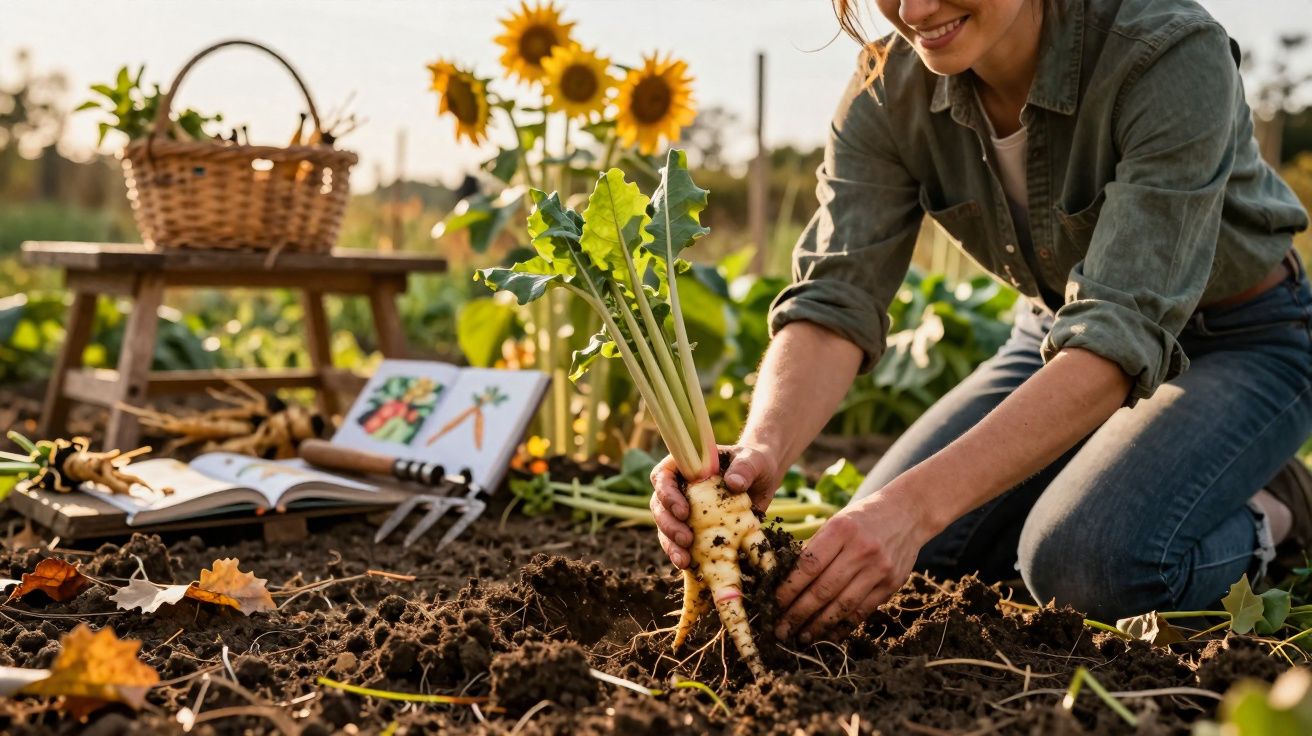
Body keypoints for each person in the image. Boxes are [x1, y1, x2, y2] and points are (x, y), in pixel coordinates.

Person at [649, 0, 1312, 645]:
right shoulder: (888, 87)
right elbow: (833, 299)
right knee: (919, 561)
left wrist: (910, 510)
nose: (913, 10)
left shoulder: (1166, 51)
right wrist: (760, 450)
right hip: (1056, 338)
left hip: (1243, 340)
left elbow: (1118, 333)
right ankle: (1120, 464)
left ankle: (1279, 510)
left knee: (1083, 566)